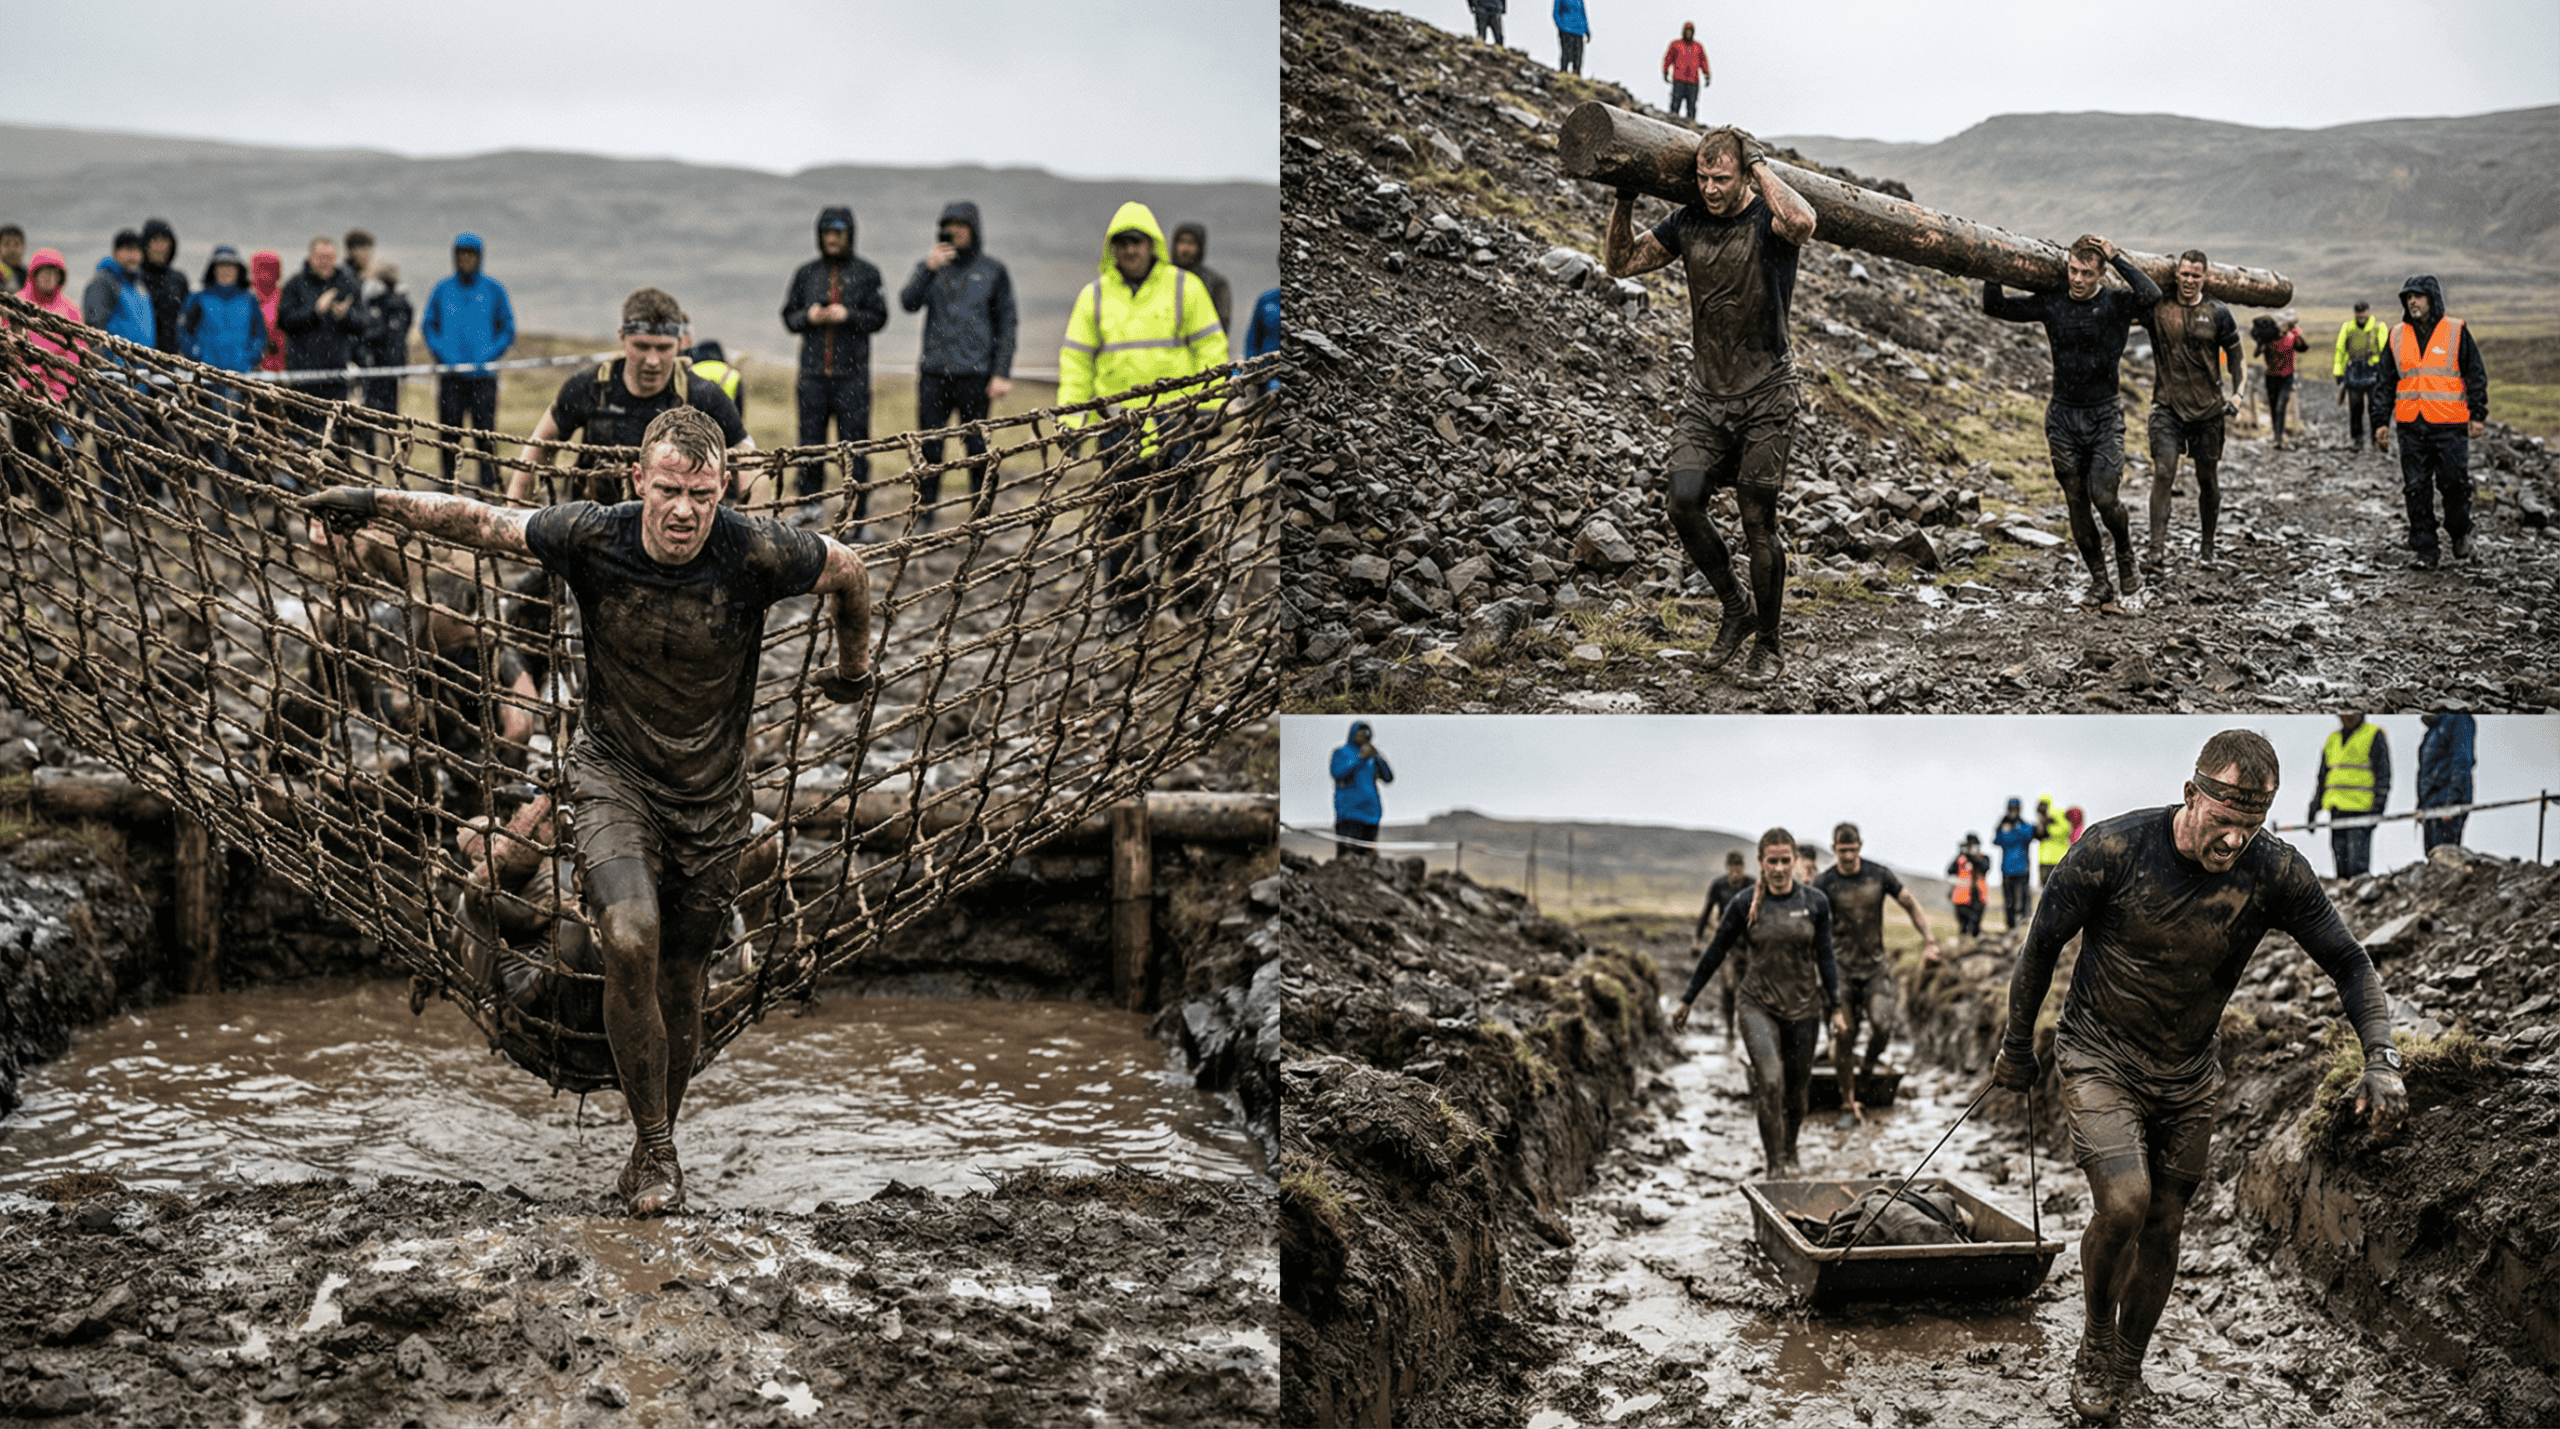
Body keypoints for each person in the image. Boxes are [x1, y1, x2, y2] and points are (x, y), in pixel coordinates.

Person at [305, 404, 876, 1217]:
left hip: (712, 796)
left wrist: (853, 670)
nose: (684, 510)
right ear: (639, 479)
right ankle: (660, 1152)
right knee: (630, 933)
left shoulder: (755, 549)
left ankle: (651, 1142)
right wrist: (376, 501)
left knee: (683, 976)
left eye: (703, 494)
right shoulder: (593, 535)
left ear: (722, 492)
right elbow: (481, 522)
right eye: (670, 489)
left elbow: (849, 569)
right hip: (612, 777)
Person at [1992, 729, 2403, 1420]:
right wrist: (2014, 1045)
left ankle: (2128, 1362)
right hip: (2099, 1052)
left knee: (2165, 1220)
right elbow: (2042, 944)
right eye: (2225, 820)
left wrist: (2382, 1059)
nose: (2236, 839)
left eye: (2252, 825)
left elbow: (2350, 961)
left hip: (2187, 1073)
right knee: (2123, 1202)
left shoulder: (2275, 871)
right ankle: (2096, 1341)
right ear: (2192, 795)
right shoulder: (2113, 849)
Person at [1602, 125, 1817, 687]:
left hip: (1768, 393)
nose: (1711, 188)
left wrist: (1760, 163)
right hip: (1706, 398)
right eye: (1702, 177)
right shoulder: (1687, 220)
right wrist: (1625, 196)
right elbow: (1620, 263)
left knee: (1757, 523)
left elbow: (1803, 223)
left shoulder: (1767, 223)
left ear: (1744, 175)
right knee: (1682, 502)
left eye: (1722, 178)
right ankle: (1736, 606)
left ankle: (1768, 645)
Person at [1058, 201, 1232, 631]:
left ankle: (1191, 598)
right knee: (1120, 525)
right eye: (1121, 242)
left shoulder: (1184, 288)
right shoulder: (1094, 295)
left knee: (1181, 518)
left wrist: (1211, 406)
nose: (1129, 250)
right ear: (1111, 248)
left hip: (1177, 425)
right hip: (1120, 429)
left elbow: (1211, 348)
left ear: (1152, 244)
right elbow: (1076, 361)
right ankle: (1127, 608)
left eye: (1136, 241)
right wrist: (1072, 421)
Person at [1981, 234, 2161, 611]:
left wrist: (2117, 257)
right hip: (2063, 417)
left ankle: (2126, 557)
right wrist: (1991, 265)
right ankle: (2099, 582)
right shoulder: (2053, 302)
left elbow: (2152, 296)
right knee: (2076, 501)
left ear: (2100, 274)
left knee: (2105, 497)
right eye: (2073, 270)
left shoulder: (2116, 304)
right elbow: (1995, 307)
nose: (2077, 278)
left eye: (2086, 273)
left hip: (2104, 416)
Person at [1674, 828, 1844, 1176]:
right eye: (1772, 861)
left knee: (1797, 1090)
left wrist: (1837, 1007)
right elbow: (1716, 950)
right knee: (1769, 1081)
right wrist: (1688, 998)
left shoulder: (1815, 903)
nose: (1779, 868)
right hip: (1757, 1005)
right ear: (1761, 863)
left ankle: (1791, 1148)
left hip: (1804, 1007)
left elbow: (1825, 957)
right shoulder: (1743, 904)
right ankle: (1775, 1164)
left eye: (1785, 861)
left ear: (1795, 861)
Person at [515, 287, 753, 506]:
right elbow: (537, 449)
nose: (652, 361)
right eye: (641, 346)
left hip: (677, 522)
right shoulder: (590, 387)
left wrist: (756, 529)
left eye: (663, 348)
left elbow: (750, 463)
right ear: (622, 338)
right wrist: (518, 510)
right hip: (596, 521)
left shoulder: (703, 395)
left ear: (680, 343)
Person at [899, 200, 1017, 528]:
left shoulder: (994, 270)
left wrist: (1001, 372)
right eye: (949, 226)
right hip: (935, 373)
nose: (956, 232)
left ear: (974, 230)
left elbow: (1007, 324)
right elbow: (907, 302)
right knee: (929, 448)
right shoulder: (932, 268)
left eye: (961, 226)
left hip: (975, 376)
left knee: (978, 450)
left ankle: (980, 515)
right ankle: (924, 515)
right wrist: (928, 267)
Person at [1815, 822, 1938, 1122]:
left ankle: (1868, 1069)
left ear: (1860, 847)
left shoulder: (1877, 874)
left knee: (1883, 1026)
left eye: (1852, 849)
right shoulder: (1824, 883)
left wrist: (1929, 940)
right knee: (1845, 1033)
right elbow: (1808, 923)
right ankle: (1848, 1101)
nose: (1847, 855)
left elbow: (1909, 902)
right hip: (1841, 969)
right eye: (1842, 850)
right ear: (1834, 849)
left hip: (1874, 968)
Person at [781, 206, 888, 527]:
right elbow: (788, 316)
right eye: (827, 233)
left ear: (850, 235)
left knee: (855, 447)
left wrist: (848, 316)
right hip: (812, 376)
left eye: (838, 233)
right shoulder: (806, 273)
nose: (832, 239)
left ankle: (858, 514)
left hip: (852, 377)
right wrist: (809, 317)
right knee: (810, 444)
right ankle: (810, 508)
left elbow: (879, 317)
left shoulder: (868, 274)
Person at [2372, 274, 2487, 571]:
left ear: (2432, 299)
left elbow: (2474, 374)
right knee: (2416, 488)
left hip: (2450, 425)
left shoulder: (2456, 330)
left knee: (2454, 485)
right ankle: (2426, 549)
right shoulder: (2396, 335)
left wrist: (2478, 414)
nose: (2412, 301)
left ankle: (2460, 531)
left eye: (2418, 296)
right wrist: (2380, 422)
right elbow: (2384, 381)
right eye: (2408, 297)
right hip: (2411, 426)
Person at [2136, 249, 2241, 572]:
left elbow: (2236, 358)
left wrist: (2238, 394)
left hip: (2208, 411)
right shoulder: (2158, 307)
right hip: (2166, 407)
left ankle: (2207, 549)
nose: (2190, 281)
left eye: (2196, 275)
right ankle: (2155, 552)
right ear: (2176, 274)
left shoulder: (2218, 312)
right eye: (2184, 274)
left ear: (2205, 278)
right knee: (2164, 471)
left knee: (2206, 478)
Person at [177, 245, 270, 527]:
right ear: (213, 270)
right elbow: (183, 331)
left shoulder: (248, 299)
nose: (226, 271)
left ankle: (238, 499)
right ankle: (218, 501)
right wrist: (197, 356)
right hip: (210, 381)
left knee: (241, 439)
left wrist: (249, 357)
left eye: (231, 267)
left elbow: (260, 335)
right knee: (213, 440)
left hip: (240, 380)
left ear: (238, 270)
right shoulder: (199, 298)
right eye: (221, 267)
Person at [419, 233, 515, 490]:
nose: (465, 259)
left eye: (470, 254)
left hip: (483, 377)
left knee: (484, 434)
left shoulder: (493, 290)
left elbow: (507, 328)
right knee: (449, 433)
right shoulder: (442, 290)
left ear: (478, 257)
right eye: (461, 254)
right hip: (451, 377)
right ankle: (448, 483)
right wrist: (444, 355)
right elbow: (429, 325)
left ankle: (487, 485)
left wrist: (489, 356)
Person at [4, 248, 85, 515]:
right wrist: (28, 378)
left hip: (57, 393)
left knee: (60, 449)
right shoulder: (16, 303)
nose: (49, 278)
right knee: (24, 449)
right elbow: (9, 343)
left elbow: (76, 351)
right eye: (44, 272)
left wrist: (59, 385)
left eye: (55, 273)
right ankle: (25, 496)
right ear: (33, 274)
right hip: (22, 390)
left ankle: (53, 501)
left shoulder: (70, 309)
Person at [275, 235, 367, 427]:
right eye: (320, 257)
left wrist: (345, 316)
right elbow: (285, 322)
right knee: (302, 433)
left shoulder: (348, 283)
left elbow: (363, 324)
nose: (325, 262)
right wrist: (315, 312)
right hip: (302, 374)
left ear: (336, 257)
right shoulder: (295, 284)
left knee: (336, 435)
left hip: (336, 373)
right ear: (311, 257)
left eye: (329, 257)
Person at [2309, 713, 2390, 878]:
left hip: (2361, 809)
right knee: (2341, 865)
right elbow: (2323, 777)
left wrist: (2378, 809)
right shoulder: (2333, 739)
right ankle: (2346, 900)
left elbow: (2383, 775)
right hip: (2336, 809)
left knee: (2357, 867)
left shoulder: (2373, 734)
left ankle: (2361, 898)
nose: (2347, 716)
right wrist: (2314, 807)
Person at [1691, 848, 1754, 1042]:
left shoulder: (1752, 885)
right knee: (1728, 985)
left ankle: (1748, 1025)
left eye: (1739, 868)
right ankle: (1729, 1026)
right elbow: (1706, 912)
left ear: (1743, 868)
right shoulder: (1719, 886)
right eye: (1732, 868)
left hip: (1748, 942)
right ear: (1727, 868)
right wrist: (1696, 940)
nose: (1735, 872)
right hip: (1726, 943)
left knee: (1748, 985)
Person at [2331, 300, 2390, 456]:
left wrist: (2385, 372)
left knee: (2374, 407)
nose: (2361, 315)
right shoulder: (2348, 328)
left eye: (2364, 311)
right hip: (2354, 370)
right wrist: (2338, 371)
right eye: (2359, 312)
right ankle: (2357, 439)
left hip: (2373, 370)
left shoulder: (2379, 327)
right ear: (2355, 313)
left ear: (2368, 311)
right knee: (2355, 407)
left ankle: (2374, 438)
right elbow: (2340, 350)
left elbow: (2385, 351)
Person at [1329, 721, 1392, 860]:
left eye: (1367, 734)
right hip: (1349, 814)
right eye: (1361, 733)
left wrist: (1378, 757)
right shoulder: (1341, 752)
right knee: (1348, 857)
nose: (1364, 736)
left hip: (1371, 814)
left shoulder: (1372, 757)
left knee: (1367, 857)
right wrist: (1359, 759)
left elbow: (1388, 778)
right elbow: (1337, 774)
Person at [82, 230, 156, 347]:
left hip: (141, 362)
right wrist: (103, 360)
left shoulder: (140, 286)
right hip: (115, 362)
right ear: (115, 252)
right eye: (128, 250)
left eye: (137, 250)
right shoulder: (102, 283)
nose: (133, 256)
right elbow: (94, 328)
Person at [2416, 712, 2476, 852]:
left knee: (2446, 856)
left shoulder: (2458, 719)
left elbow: (2461, 760)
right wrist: (2422, 805)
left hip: (2446, 803)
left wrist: (2451, 802)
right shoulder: (2434, 728)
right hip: (2431, 805)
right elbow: (2425, 771)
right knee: (2433, 855)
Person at [2252, 312, 2309, 450]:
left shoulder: (2292, 336)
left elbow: (2304, 348)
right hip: (2271, 377)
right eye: (2281, 325)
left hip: (2287, 377)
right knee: (2273, 407)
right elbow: (2255, 354)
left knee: (2280, 406)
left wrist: (2298, 335)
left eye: (2285, 325)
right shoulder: (2269, 338)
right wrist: (2261, 346)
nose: (2283, 328)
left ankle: (2278, 438)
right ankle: (2277, 437)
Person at [1169, 222, 1233, 338]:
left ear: (1200, 247)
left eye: (1191, 243)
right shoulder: (1161, 278)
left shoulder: (1216, 283)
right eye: (1181, 242)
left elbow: (1222, 325)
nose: (1185, 248)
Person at [138, 218, 188, 354]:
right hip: (141, 355)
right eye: (155, 241)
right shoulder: (134, 278)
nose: (160, 247)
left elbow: (187, 320)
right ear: (145, 245)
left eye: (165, 241)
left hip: (172, 355)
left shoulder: (179, 279)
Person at [1992, 797, 2035, 931]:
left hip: (2022, 868)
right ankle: (2010, 925)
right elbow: (1997, 841)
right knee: (2009, 899)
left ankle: (2024, 922)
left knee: (2023, 896)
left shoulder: (2024, 826)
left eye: (2015, 809)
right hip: (2007, 869)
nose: (2013, 812)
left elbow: (2029, 836)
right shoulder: (2004, 827)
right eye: (2011, 809)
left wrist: (2014, 828)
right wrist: (1999, 827)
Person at [1661, 22, 1708, 121]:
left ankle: (1691, 125)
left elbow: (1703, 61)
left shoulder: (1697, 47)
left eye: (1690, 31)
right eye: (1687, 31)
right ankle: (1672, 122)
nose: (1688, 33)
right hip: (1679, 79)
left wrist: (1706, 73)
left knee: (1692, 106)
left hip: (1693, 81)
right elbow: (1668, 58)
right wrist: (1665, 71)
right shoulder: (1675, 45)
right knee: (1675, 104)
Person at [1946, 834, 1990, 941]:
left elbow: (1984, 867)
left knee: (1975, 925)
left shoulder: (1983, 858)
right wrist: (1960, 855)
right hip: (1962, 897)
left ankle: (1975, 944)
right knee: (1963, 926)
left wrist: (1970, 857)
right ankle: (1963, 944)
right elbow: (1950, 871)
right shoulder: (1960, 859)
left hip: (1978, 895)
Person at [249, 250, 286, 373]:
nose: (265, 275)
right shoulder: (284, 297)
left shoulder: (245, 298)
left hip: (273, 363)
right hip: (257, 363)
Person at [687, 339, 744, 417]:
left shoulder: (690, 370)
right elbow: (739, 406)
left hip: (693, 421)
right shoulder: (732, 373)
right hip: (725, 421)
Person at [2034, 792, 2070, 896]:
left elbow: (2066, 829)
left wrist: (2048, 829)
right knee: (2046, 891)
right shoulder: (2042, 814)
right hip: (2045, 859)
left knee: (2058, 891)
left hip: (2057, 858)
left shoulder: (2057, 811)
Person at [1553, 0, 1589, 74]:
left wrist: (1586, 30)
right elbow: (1556, 12)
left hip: (1579, 31)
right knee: (1566, 53)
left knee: (1578, 56)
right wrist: (1560, 26)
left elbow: (1583, 13)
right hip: (1566, 29)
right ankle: (1563, 73)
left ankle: (1576, 76)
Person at [0, 225, 26, 295]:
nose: (12, 250)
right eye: (6, 244)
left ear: (24, 247)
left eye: (16, 244)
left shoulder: (29, 276)